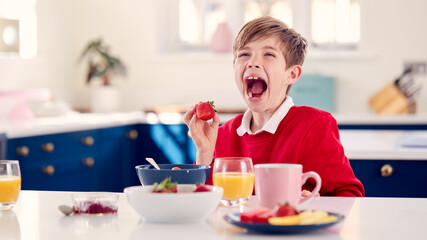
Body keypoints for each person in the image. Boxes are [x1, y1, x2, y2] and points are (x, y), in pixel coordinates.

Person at [184, 16, 364, 197]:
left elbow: (350, 194)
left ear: (292, 74)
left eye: (268, 54)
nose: (252, 62)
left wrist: (319, 205)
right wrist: (204, 154)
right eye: (244, 54)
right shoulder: (223, 134)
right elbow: (201, 200)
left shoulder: (314, 126)